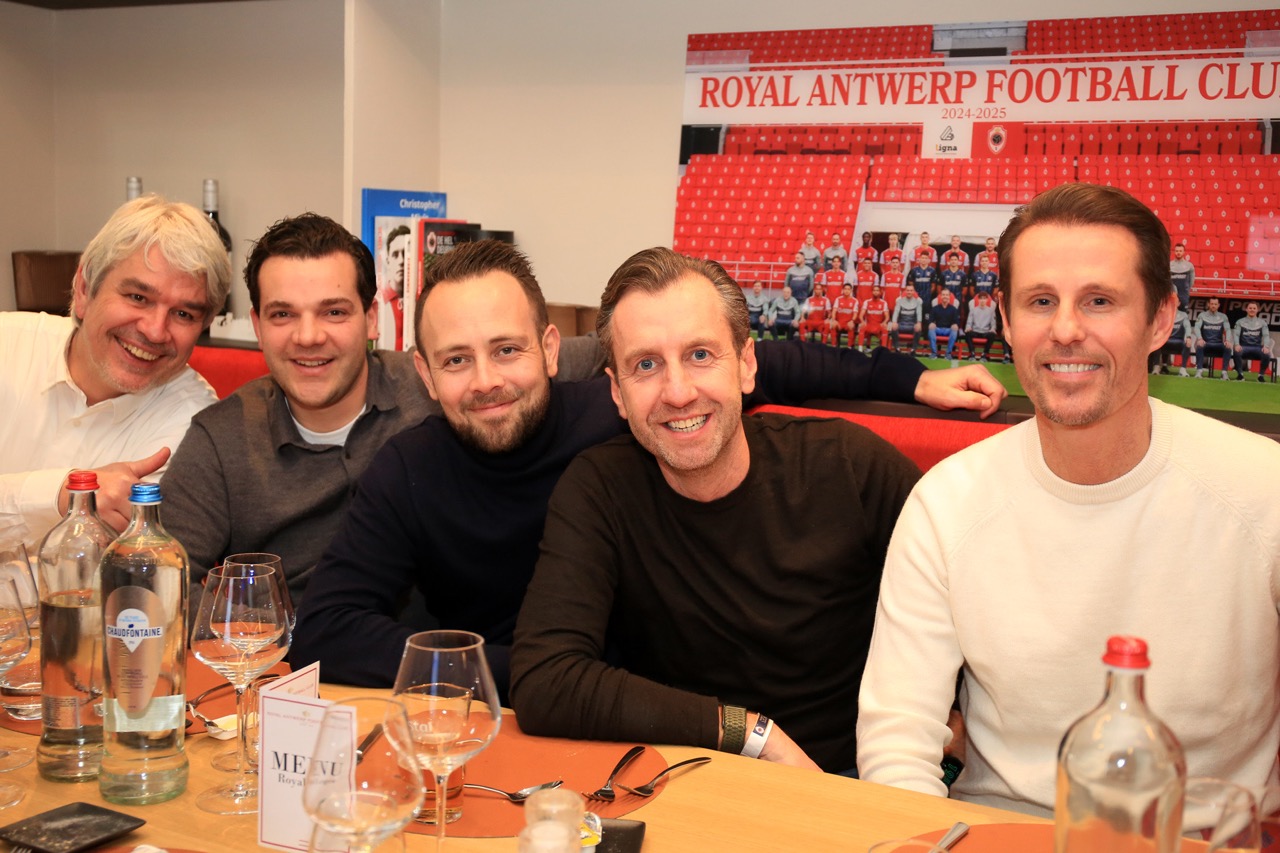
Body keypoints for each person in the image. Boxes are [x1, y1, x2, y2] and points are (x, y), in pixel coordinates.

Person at [292, 241, 1006, 694]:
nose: (486, 381)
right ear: (424, 374)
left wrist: (910, 378)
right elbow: (325, 630)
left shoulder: (632, 416)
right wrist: (518, 672)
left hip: (641, 709)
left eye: (506, 350)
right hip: (557, 704)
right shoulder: (411, 467)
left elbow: (754, 361)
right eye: (456, 360)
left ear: (549, 349)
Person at [857, 182, 1280, 817]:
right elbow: (897, 744)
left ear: (1160, 318)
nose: (1065, 330)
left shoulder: (1265, 489)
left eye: (1099, 301)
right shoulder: (945, 504)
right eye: (1041, 301)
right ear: (1006, 320)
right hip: (997, 831)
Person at [509, 248, 923, 773]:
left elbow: (975, 609)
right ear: (617, 392)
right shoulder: (599, 489)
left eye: (700, 355)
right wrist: (749, 733)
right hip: (689, 775)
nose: (678, 392)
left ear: (746, 365)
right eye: (646, 365)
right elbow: (545, 678)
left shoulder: (851, 465)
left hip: (857, 775)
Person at [160, 214, 601, 604]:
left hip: (427, 657)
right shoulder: (220, 440)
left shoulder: (448, 377)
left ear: (372, 319)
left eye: (334, 312)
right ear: (257, 326)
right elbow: (160, 582)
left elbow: (608, 347)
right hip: (287, 658)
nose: (308, 336)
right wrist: (255, 628)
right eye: (283, 315)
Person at [0, 194, 231, 542]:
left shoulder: (194, 425)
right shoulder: (7, 344)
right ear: (84, 289)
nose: (155, 331)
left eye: (183, 314)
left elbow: (116, 565)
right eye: (138, 297)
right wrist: (62, 495)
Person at [381, 224, 410, 350]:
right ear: (388, 261)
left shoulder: (423, 300)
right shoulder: (379, 302)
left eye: (406, 253)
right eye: (395, 255)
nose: (401, 261)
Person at [1232, 300, 1272, 381]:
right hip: (1243, 346)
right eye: (1250, 308)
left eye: (1254, 308)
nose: (1252, 310)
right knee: (1236, 351)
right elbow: (1236, 335)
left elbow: (1266, 335)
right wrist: (1236, 344)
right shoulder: (1240, 322)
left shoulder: (1262, 322)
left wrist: (1266, 346)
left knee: (1267, 353)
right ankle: (1240, 375)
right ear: (1246, 309)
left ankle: (1261, 376)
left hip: (1257, 347)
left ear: (1257, 310)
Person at [1193, 296, 1232, 379]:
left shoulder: (1223, 316)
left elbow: (1228, 329)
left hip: (1218, 344)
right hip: (1205, 343)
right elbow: (1196, 327)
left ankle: (1224, 373)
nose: (1213, 306)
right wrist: (1200, 338)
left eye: (1215, 304)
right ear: (1208, 304)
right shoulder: (1202, 315)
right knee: (1199, 345)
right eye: (1212, 304)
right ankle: (1199, 371)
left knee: (1228, 347)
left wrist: (1228, 340)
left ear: (1218, 305)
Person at [1152, 298, 1193, 376]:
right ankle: (1156, 367)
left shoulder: (1183, 315)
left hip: (1178, 341)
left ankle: (1183, 369)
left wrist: (1188, 337)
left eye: (1176, 302)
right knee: (1157, 342)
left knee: (1187, 344)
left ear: (1179, 303)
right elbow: (1158, 326)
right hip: (1166, 341)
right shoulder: (1164, 314)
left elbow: (1187, 326)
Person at [963, 291, 999, 361]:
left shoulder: (991, 311)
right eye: (981, 298)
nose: (982, 300)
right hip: (975, 331)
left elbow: (993, 323)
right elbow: (969, 322)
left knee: (992, 335)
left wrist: (993, 328)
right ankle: (972, 353)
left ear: (987, 300)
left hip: (985, 332)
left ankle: (984, 354)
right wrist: (968, 327)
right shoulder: (973, 310)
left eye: (984, 298)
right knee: (967, 333)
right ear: (978, 299)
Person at [927, 289, 960, 359]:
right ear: (941, 296)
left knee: (955, 329)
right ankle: (934, 353)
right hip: (938, 329)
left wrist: (954, 325)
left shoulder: (953, 309)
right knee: (931, 328)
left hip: (948, 330)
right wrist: (932, 323)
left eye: (946, 295)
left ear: (949, 296)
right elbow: (930, 320)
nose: (945, 296)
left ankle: (948, 353)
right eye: (943, 295)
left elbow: (957, 322)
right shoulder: (935, 308)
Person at [890, 290, 924, 354]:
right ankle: (897, 348)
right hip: (902, 324)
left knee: (918, 328)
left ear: (913, 292)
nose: (909, 292)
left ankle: (913, 349)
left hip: (912, 325)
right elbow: (896, 312)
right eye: (908, 290)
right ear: (905, 292)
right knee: (893, 327)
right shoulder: (899, 301)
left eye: (911, 291)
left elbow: (919, 313)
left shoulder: (918, 302)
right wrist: (894, 322)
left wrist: (919, 323)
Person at [857, 285, 890, 351]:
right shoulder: (867, 302)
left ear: (880, 292)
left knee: (885, 328)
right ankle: (860, 349)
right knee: (862, 327)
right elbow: (861, 315)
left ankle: (883, 350)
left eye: (877, 290)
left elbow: (887, 317)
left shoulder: (884, 303)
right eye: (874, 290)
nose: (875, 292)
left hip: (879, 325)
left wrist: (884, 322)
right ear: (872, 292)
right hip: (869, 324)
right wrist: (862, 321)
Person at [830, 283, 860, 348]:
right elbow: (834, 311)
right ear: (843, 290)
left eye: (848, 289)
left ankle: (849, 347)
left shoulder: (855, 301)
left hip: (848, 323)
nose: (846, 291)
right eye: (845, 289)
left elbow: (855, 313)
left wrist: (852, 321)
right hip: (839, 322)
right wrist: (834, 320)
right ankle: (833, 346)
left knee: (851, 326)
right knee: (833, 325)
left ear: (851, 290)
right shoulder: (838, 299)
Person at [1170, 242, 1194, 310]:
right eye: (1177, 251)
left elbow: (1191, 282)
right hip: (1172, 295)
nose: (1178, 253)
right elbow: (1167, 280)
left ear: (1184, 252)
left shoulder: (1189, 266)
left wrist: (1186, 290)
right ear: (1174, 252)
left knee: (1183, 313)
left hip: (1184, 296)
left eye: (1180, 251)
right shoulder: (1169, 265)